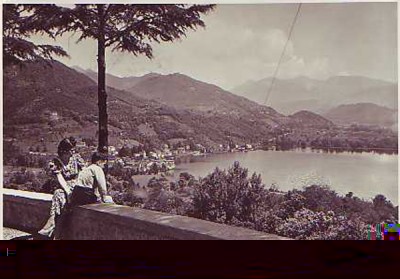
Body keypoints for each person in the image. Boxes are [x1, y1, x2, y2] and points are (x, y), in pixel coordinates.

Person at [38, 137, 86, 239]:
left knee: (61, 201)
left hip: (76, 185)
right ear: (64, 150)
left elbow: (83, 172)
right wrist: (68, 192)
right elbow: (59, 178)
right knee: (59, 195)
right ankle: (56, 231)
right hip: (62, 187)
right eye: (71, 150)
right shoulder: (55, 162)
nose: (73, 152)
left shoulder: (76, 158)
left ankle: (52, 227)